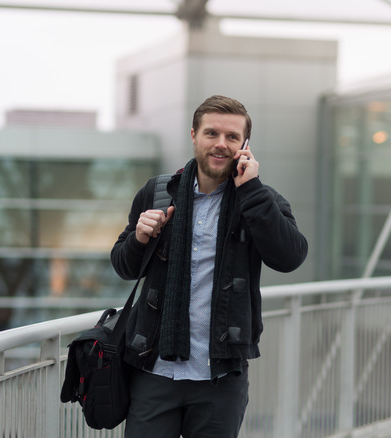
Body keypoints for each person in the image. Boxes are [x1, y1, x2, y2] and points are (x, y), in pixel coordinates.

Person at [110, 95, 308, 438]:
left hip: (220, 377)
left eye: (232, 137)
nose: (221, 144)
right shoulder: (158, 192)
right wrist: (139, 238)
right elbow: (124, 267)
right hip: (154, 370)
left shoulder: (262, 199)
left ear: (245, 145)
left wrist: (252, 191)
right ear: (194, 136)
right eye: (211, 133)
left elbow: (291, 258)